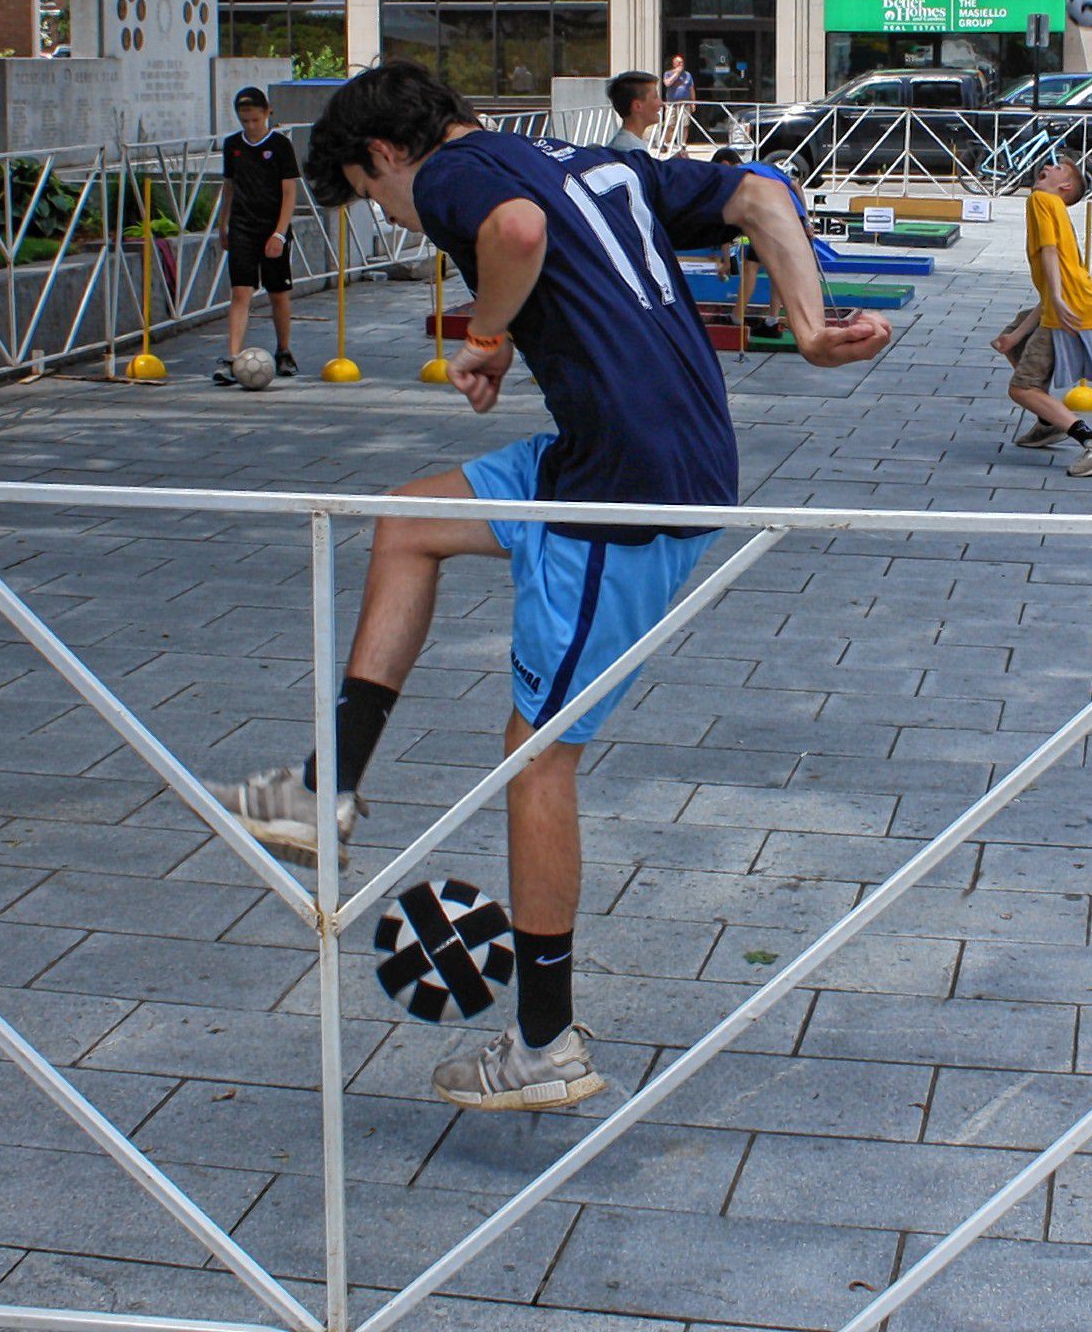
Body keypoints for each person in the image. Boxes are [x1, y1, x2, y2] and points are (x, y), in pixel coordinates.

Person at [213, 63, 890, 1112]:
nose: (398, 217)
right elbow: (758, 192)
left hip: (623, 485)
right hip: (611, 451)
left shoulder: (453, 174)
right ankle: (326, 786)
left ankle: (544, 1043)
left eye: (376, 198)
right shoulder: (594, 161)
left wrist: (485, 333)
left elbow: (516, 235)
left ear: (386, 154)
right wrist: (805, 326)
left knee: (537, 758)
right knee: (408, 518)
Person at [993, 156, 1092, 475]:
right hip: (1074, 300)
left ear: (1064, 186)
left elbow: (1050, 252)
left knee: (1021, 388)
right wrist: (1016, 335)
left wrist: (1055, 296)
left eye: (1058, 169)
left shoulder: (1042, 200)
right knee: (1016, 339)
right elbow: (1059, 274)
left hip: (1067, 303)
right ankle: (1047, 421)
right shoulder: (1056, 209)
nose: (1049, 167)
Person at [212, 87, 300, 386]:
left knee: (278, 292)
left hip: (272, 226)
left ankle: (284, 350)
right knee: (240, 292)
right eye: (244, 120)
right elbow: (229, 185)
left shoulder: (279, 145)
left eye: (254, 119)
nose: (249, 125)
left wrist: (279, 232)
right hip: (242, 227)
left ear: (267, 113)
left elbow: (290, 192)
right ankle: (232, 356)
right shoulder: (232, 145)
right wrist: (222, 224)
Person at [606, 71, 662, 155]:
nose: (661, 103)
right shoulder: (629, 152)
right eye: (655, 97)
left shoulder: (630, 144)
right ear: (637, 106)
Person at [659, 53, 696, 152]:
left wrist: (693, 102)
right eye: (678, 62)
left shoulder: (688, 75)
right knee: (670, 124)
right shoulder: (668, 73)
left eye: (682, 62)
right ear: (674, 64)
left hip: (685, 104)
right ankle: (668, 143)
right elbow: (667, 83)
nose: (681, 64)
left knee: (684, 124)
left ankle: (683, 144)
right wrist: (676, 74)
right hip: (672, 104)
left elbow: (691, 89)